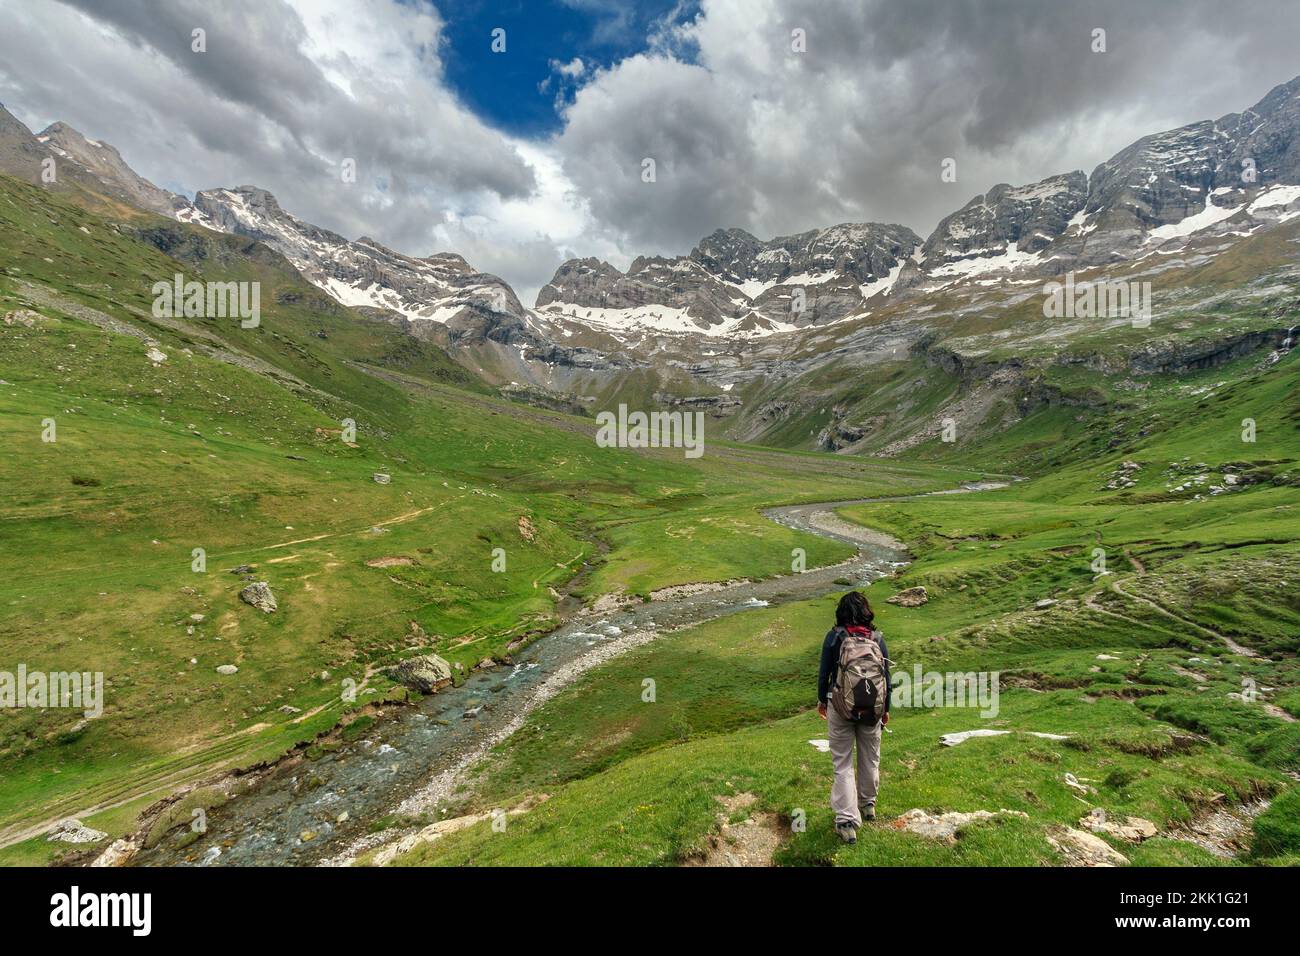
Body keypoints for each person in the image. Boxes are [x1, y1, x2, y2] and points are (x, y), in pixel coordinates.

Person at [817, 590, 891, 844]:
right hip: (872, 707)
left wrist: (822, 700)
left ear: (841, 612)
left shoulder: (834, 637)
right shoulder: (877, 638)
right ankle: (867, 804)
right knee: (871, 757)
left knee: (843, 762)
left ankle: (847, 820)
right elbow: (886, 679)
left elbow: (824, 672)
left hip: (839, 705)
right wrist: (886, 709)